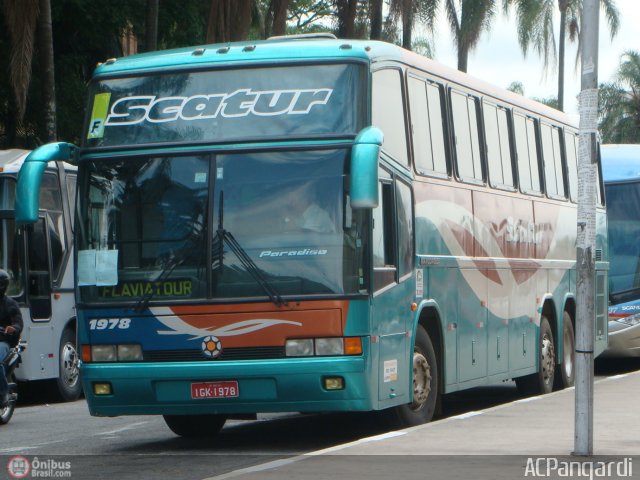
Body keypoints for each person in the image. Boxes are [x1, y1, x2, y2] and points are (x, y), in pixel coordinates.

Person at [0, 269, 23, 407]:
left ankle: (3, 394)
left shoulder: (10, 304)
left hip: (3, 341)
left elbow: (18, 322)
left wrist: (13, 328)